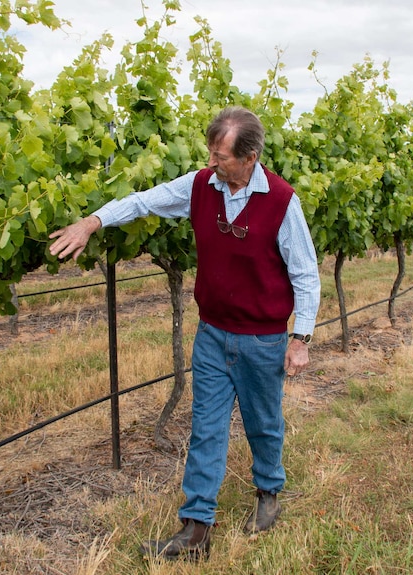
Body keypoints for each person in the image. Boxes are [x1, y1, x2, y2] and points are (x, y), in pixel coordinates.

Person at [49, 106, 321, 561]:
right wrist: (93, 220)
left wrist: (301, 338)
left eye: (222, 157)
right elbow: (143, 200)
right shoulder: (201, 185)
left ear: (250, 156)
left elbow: (305, 275)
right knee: (206, 427)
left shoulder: (281, 201)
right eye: (212, 154)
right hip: (212, 334)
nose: (213, 164)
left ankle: (268, 490)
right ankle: (196, 529)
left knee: (263, 423)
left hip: (262, 339)